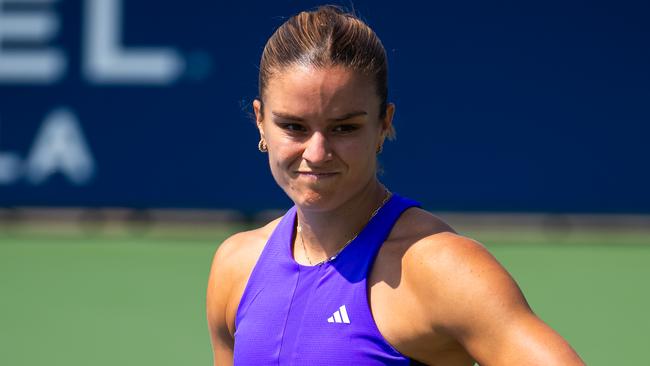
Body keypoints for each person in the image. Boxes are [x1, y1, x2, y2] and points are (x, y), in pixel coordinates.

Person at [206, 5, 585, 365]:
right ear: (260, 121)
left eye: (345, 128)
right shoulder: (236, 265)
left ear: (383, 124)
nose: (317, 153)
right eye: (294, 127)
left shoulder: (441, 267)